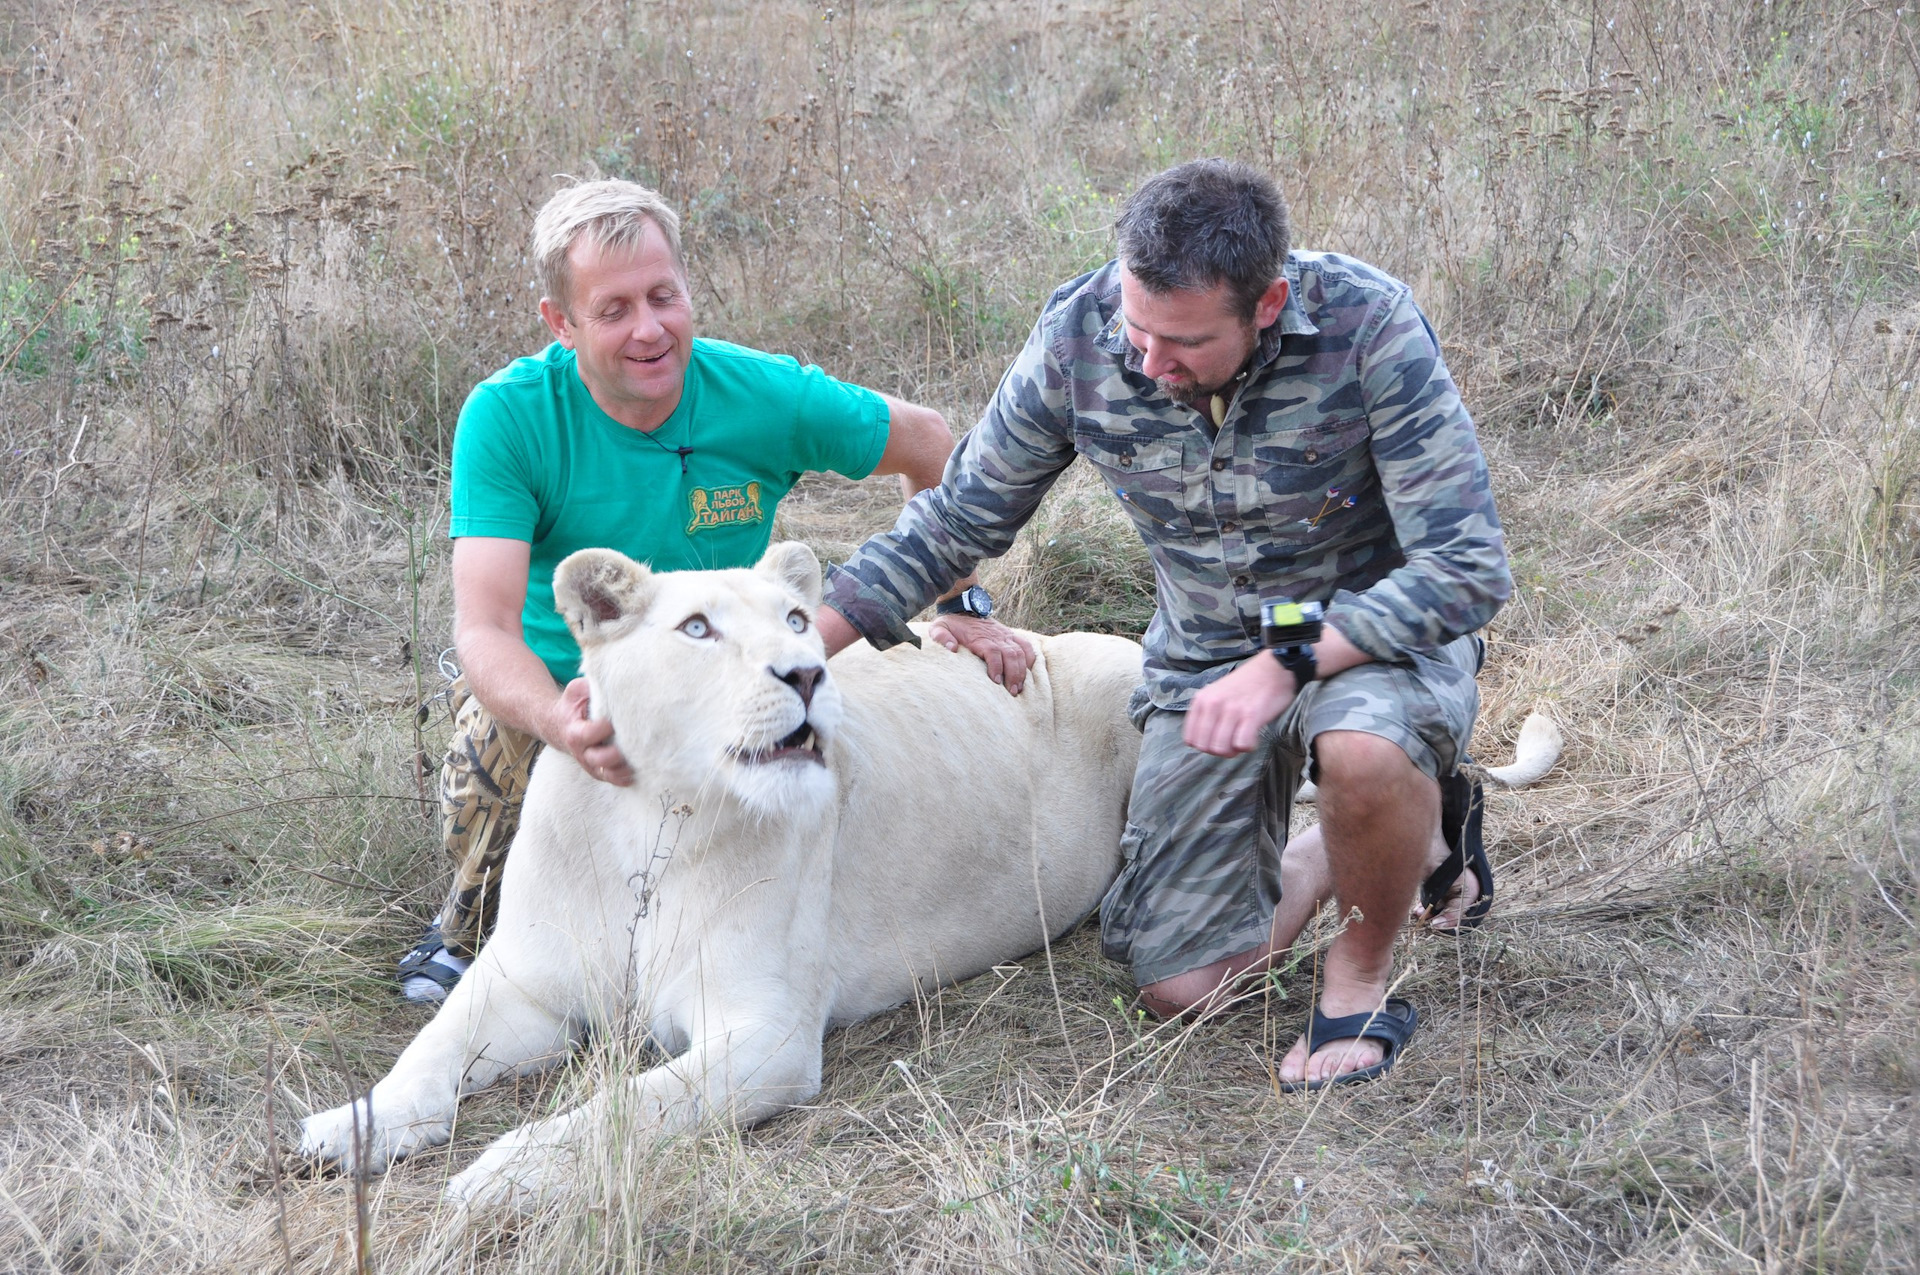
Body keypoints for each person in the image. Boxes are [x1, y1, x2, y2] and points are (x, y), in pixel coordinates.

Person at [813, 158, 1512, 1089]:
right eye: (1135, 328)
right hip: (1205, 650)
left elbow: (1466, 567)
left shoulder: (1369, 325)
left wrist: (1287, 663)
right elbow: (955, 519)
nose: (1147, 362)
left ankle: (1360, 976)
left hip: (1366, 625)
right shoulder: (1081, 331)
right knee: (1187, 985)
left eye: (1181, 342)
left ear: (1266, 304)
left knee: (1365, 749)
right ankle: (1382, 841)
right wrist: (791, 649)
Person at [401, 179, 1029, 1002]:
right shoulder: (509, 416)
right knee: (500, 737)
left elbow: (930, 443)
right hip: (573, 684)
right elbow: (483, 630)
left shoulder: (760, 394)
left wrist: (960, 603)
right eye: (615, 309)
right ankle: (473, 927)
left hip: (720, 679)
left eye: (664, 296)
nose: (650, 329)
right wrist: (560, 719)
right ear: (562, 322)